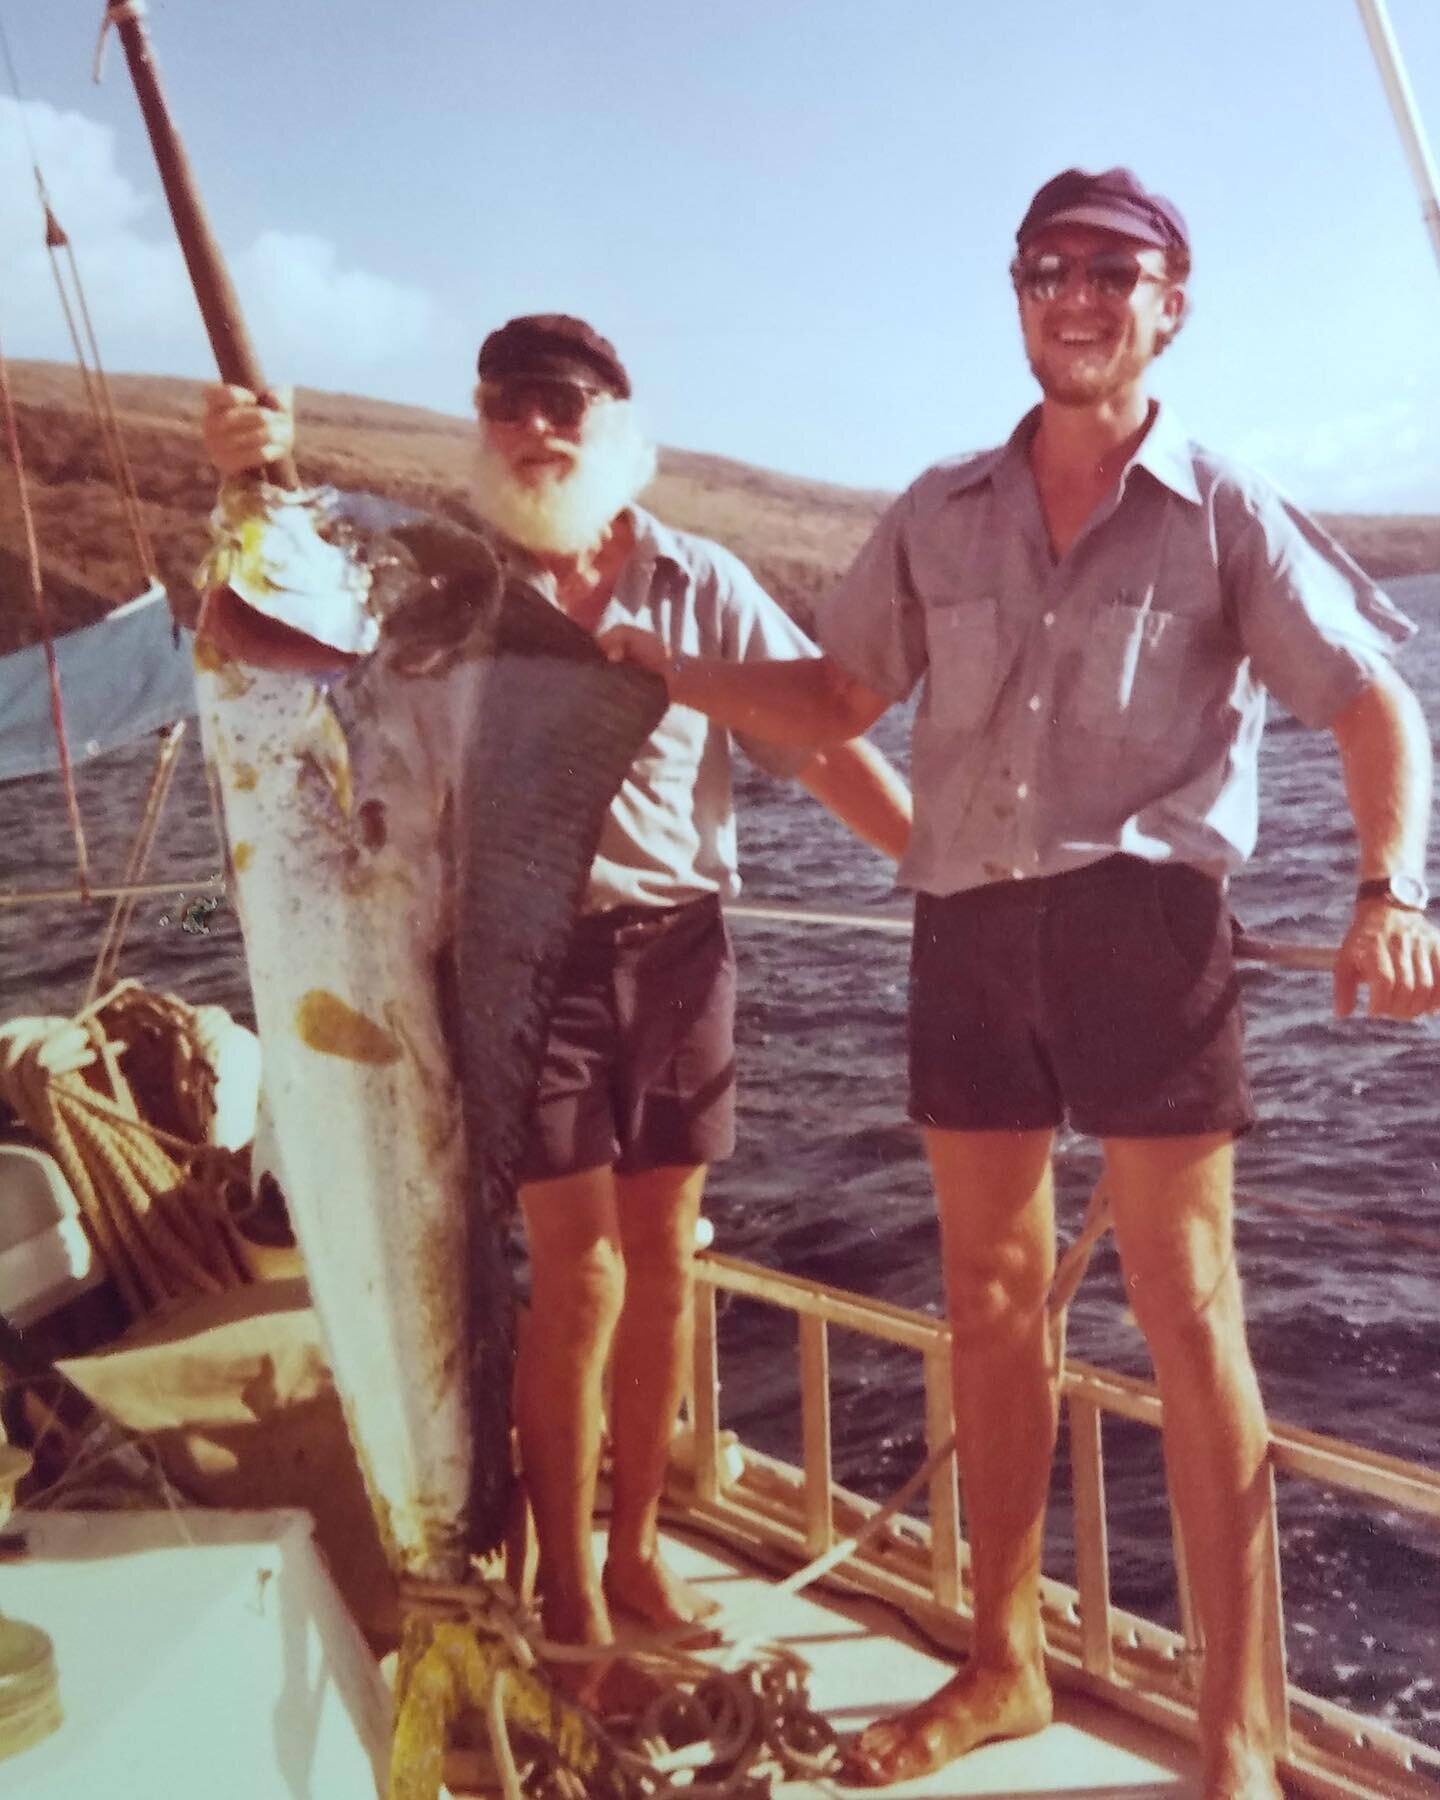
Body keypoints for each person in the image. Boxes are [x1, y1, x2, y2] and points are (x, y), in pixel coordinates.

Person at [599, 169, 1440, 1797]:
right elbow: (841, 686)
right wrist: (661, 667)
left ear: (1169, 304)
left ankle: (1241, 1743)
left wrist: (1389, 891)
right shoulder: (938, 508)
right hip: (968, 930)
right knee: (987, 1304)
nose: (1079, 292)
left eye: (1115, 270)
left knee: (1191, 1323)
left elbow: (1370, 704)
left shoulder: (1230, 511)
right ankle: (1003, 1664)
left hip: (1147, 928)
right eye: (1048, 267)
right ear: (1017, 297)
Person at [201, 314, 912, 1701]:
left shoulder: (697, 578)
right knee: (574, 1275)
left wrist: (945, 876)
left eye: (565, 407)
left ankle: (639, 1546)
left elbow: (820, 738)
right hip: (530, 966)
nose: (538, 431)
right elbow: (274, 606)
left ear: (618, 422)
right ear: (482, 425)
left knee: (666, 1268)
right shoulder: (437, 588)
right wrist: (252, 465)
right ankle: (569, 1579)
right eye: (510, 406)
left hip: (683, 950)